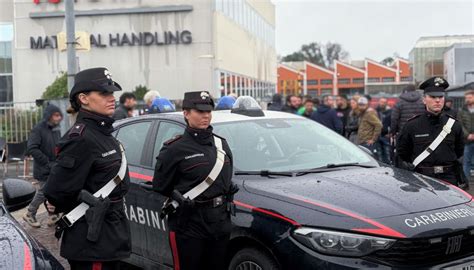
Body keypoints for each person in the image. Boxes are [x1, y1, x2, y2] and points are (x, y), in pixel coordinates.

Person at [44, 67, 131, 269]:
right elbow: (56, 191)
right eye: (104, 93)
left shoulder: (103, 133)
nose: (111, 98)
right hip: (92, 242)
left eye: (111, 93)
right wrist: (86, 204)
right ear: (83, 98)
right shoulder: (81, 138)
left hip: (110, 237)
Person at [152, 91, 237, 270]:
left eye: (208, 111)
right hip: (189, 225)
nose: (205, 115)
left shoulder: (221, 145)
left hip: (220, 222)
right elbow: (160, 185)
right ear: (186, 113)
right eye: (199, 111)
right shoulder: (174, 149)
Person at [396, 77, 464, 186]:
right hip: (422, 178)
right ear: (424, 100)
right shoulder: (412, 125)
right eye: (432, 97)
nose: (437, 100)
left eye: (440, 97)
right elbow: (403, 153)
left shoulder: (454, 125)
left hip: (449, 178)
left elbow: (459, 152)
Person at [23, 104, 63, 228]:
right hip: (43, 168)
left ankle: (53, 214)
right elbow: (32, 148)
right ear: (49, 116)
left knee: (52, 190)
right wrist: (46, 162)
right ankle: (30, 213)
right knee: (44, 192)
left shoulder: (55, 129)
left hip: (53, 166)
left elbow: (58, 146)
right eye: (56, 115)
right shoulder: (38, 129)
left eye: (59, 115)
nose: (59, 118)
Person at [457, 90, 474, 180]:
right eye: (466, 98)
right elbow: (460, 124)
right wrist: (467, 135)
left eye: (470, 97)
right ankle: (465, 180)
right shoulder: (462, 110)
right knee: (466, 161)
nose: (467, 100)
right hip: (467, 140)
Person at [376, 98, 392, 164]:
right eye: (381, 102)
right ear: (378, 102)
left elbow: (393, 123)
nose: (382, 104)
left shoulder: (391, 111)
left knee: (387, 153)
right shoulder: (375, 111)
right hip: (377, 135)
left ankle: (388, 166)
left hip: (386, 135)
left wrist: (391, 132)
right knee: (378, 154)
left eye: (384, 102)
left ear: (386, 103)